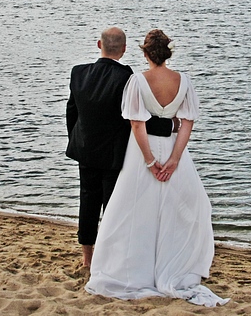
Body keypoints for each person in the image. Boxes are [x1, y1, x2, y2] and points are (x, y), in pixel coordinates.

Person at [85, 29, 229, 307]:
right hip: (175, 150)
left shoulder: (137, 80)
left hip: (142, 153)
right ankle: (173, 265)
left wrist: (150, 161)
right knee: (180, 210)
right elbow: (187, 123)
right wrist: (175, 158)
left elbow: (137, 125)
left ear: (145, 53)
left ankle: (135, 268)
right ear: (168, 52)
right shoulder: (183, 81)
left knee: (135, 210)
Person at [66, 27, 134, 268]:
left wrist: (76, 138)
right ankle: (112, 256)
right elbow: (131, 116)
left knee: (87, 201)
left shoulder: (79, 73)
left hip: (85, 147)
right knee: (112, 205)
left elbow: (71, 110)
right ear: (124, 49)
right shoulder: (126, 77)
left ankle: (87, 259)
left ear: (99, 44)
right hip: (114, 152)